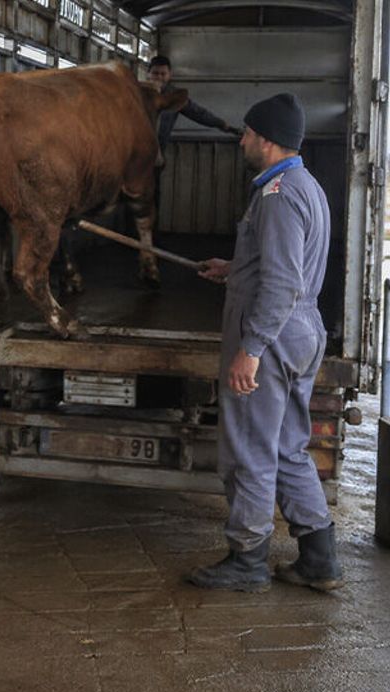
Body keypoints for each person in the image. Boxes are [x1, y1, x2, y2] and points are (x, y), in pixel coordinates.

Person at [190, 93, 342, 593]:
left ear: (269, 141)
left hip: (274, 334)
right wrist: (236, 268)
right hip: (302, 329)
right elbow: (285, 264)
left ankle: (247, 559)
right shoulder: (305, 185)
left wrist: (251, 348)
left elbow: (281, 283)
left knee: (250, 450)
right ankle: (319, 558)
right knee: (286, 448)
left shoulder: (277, 195)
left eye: (249, 134)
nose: (242, 141)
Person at [147, 56, 239, 215]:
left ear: (170, 75)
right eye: (155, 73)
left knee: (152, 195)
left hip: (156, 156)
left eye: (163, 74)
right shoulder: (136, 92)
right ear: (148, 74)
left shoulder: (174, 97)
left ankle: (150, 230)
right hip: (132, 155)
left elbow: (199, 113)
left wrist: (224, 125)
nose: (159, 78)